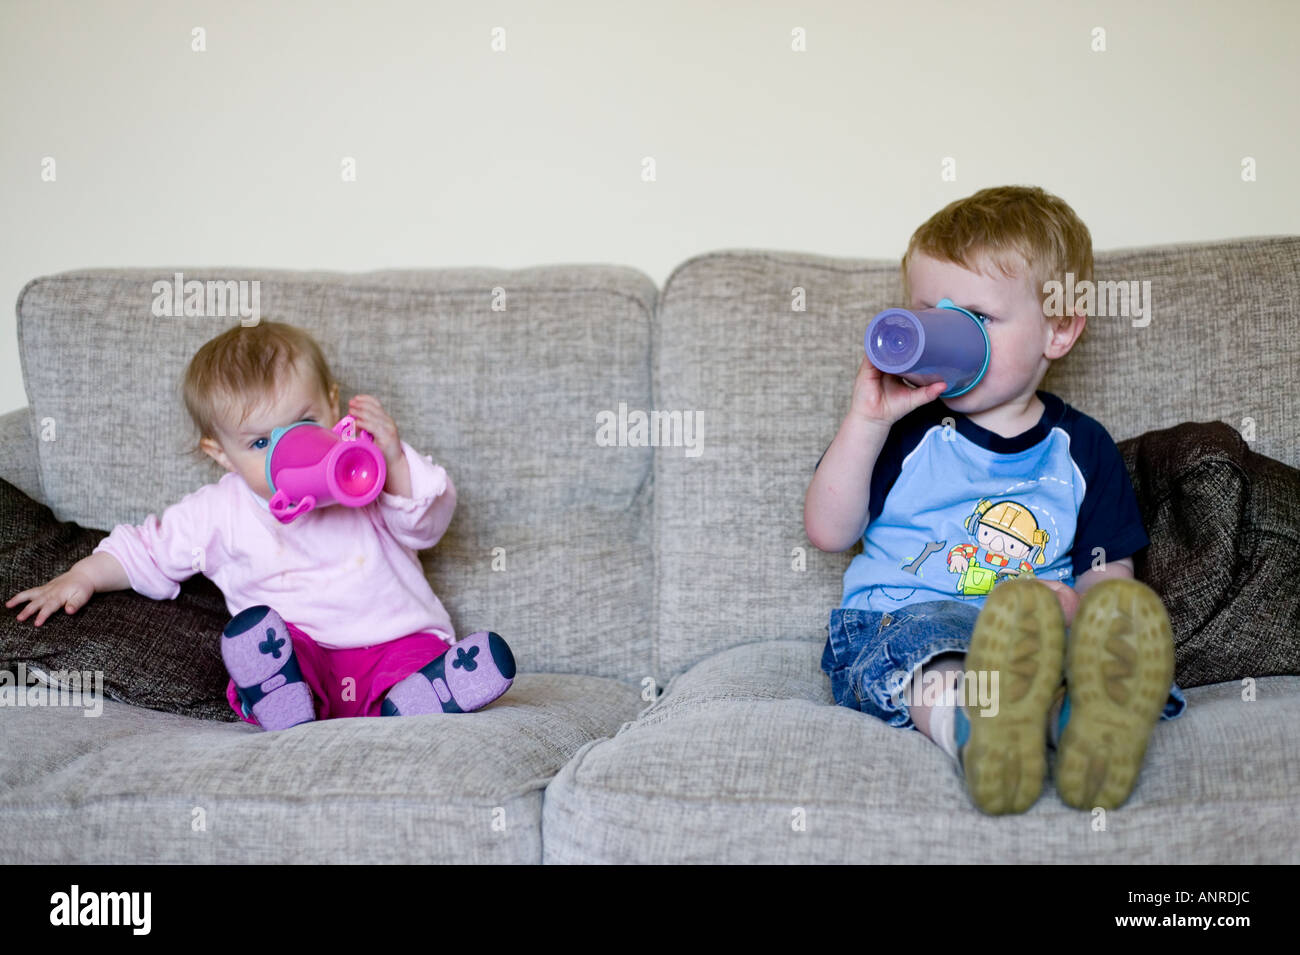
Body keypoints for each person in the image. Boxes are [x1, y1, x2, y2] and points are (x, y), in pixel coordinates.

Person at [805, 185, 1184, 814]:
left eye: (975, 319)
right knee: (930, 654)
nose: (944, 334)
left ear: (1057, 330)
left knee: (1088, 655)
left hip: (1033, 635)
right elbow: (827, 530)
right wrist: (866, 422)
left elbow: (1106, 569)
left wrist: (1078, 606)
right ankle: (975, 732)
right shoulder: (906, 433)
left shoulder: (1082, 449)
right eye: (929, 312)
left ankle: (1079, 731)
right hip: (909, 612)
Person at [7, 320, 514, 730]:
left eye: (305, 424)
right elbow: (146, 550)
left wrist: (394, 461)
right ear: (220, 453)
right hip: (304, 654)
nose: (289, 452)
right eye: (259, 443)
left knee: (419, 655)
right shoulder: (216, 512)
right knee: (269, 644)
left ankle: (418, 699)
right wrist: (83, 576)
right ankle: (280, 697)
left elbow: (425, 525)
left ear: (334, 406)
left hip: (394, 641)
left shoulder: (365, 476)